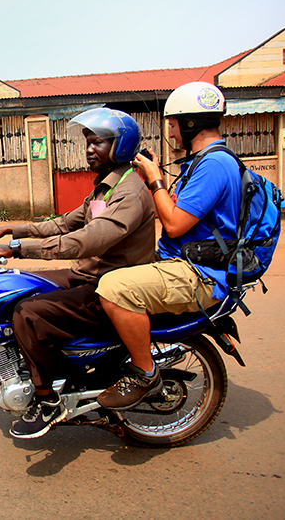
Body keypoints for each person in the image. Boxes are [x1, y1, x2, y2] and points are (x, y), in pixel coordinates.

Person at [0, 107, 156, 439]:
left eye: (97, 142)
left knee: (28, 313)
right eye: (87, 142)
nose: (89, 149)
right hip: (88, 275)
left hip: (110, 286)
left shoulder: (129, 192)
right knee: (19, 287)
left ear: (121, 146)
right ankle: (41, 365)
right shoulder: (105, 188)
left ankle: (46, 400)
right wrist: (9, 230)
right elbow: (63, 223)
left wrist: (16, 249)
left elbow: (84, 241)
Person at [95, 81, 241, 410]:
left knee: (113, 288)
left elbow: (174, 223)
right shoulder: (206, 162)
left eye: (173, 125)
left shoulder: (214, 165)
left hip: (199, 274)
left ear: (191, 123)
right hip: (187, 262)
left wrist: (153, 179)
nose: (171, 134)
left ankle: (145, 374)